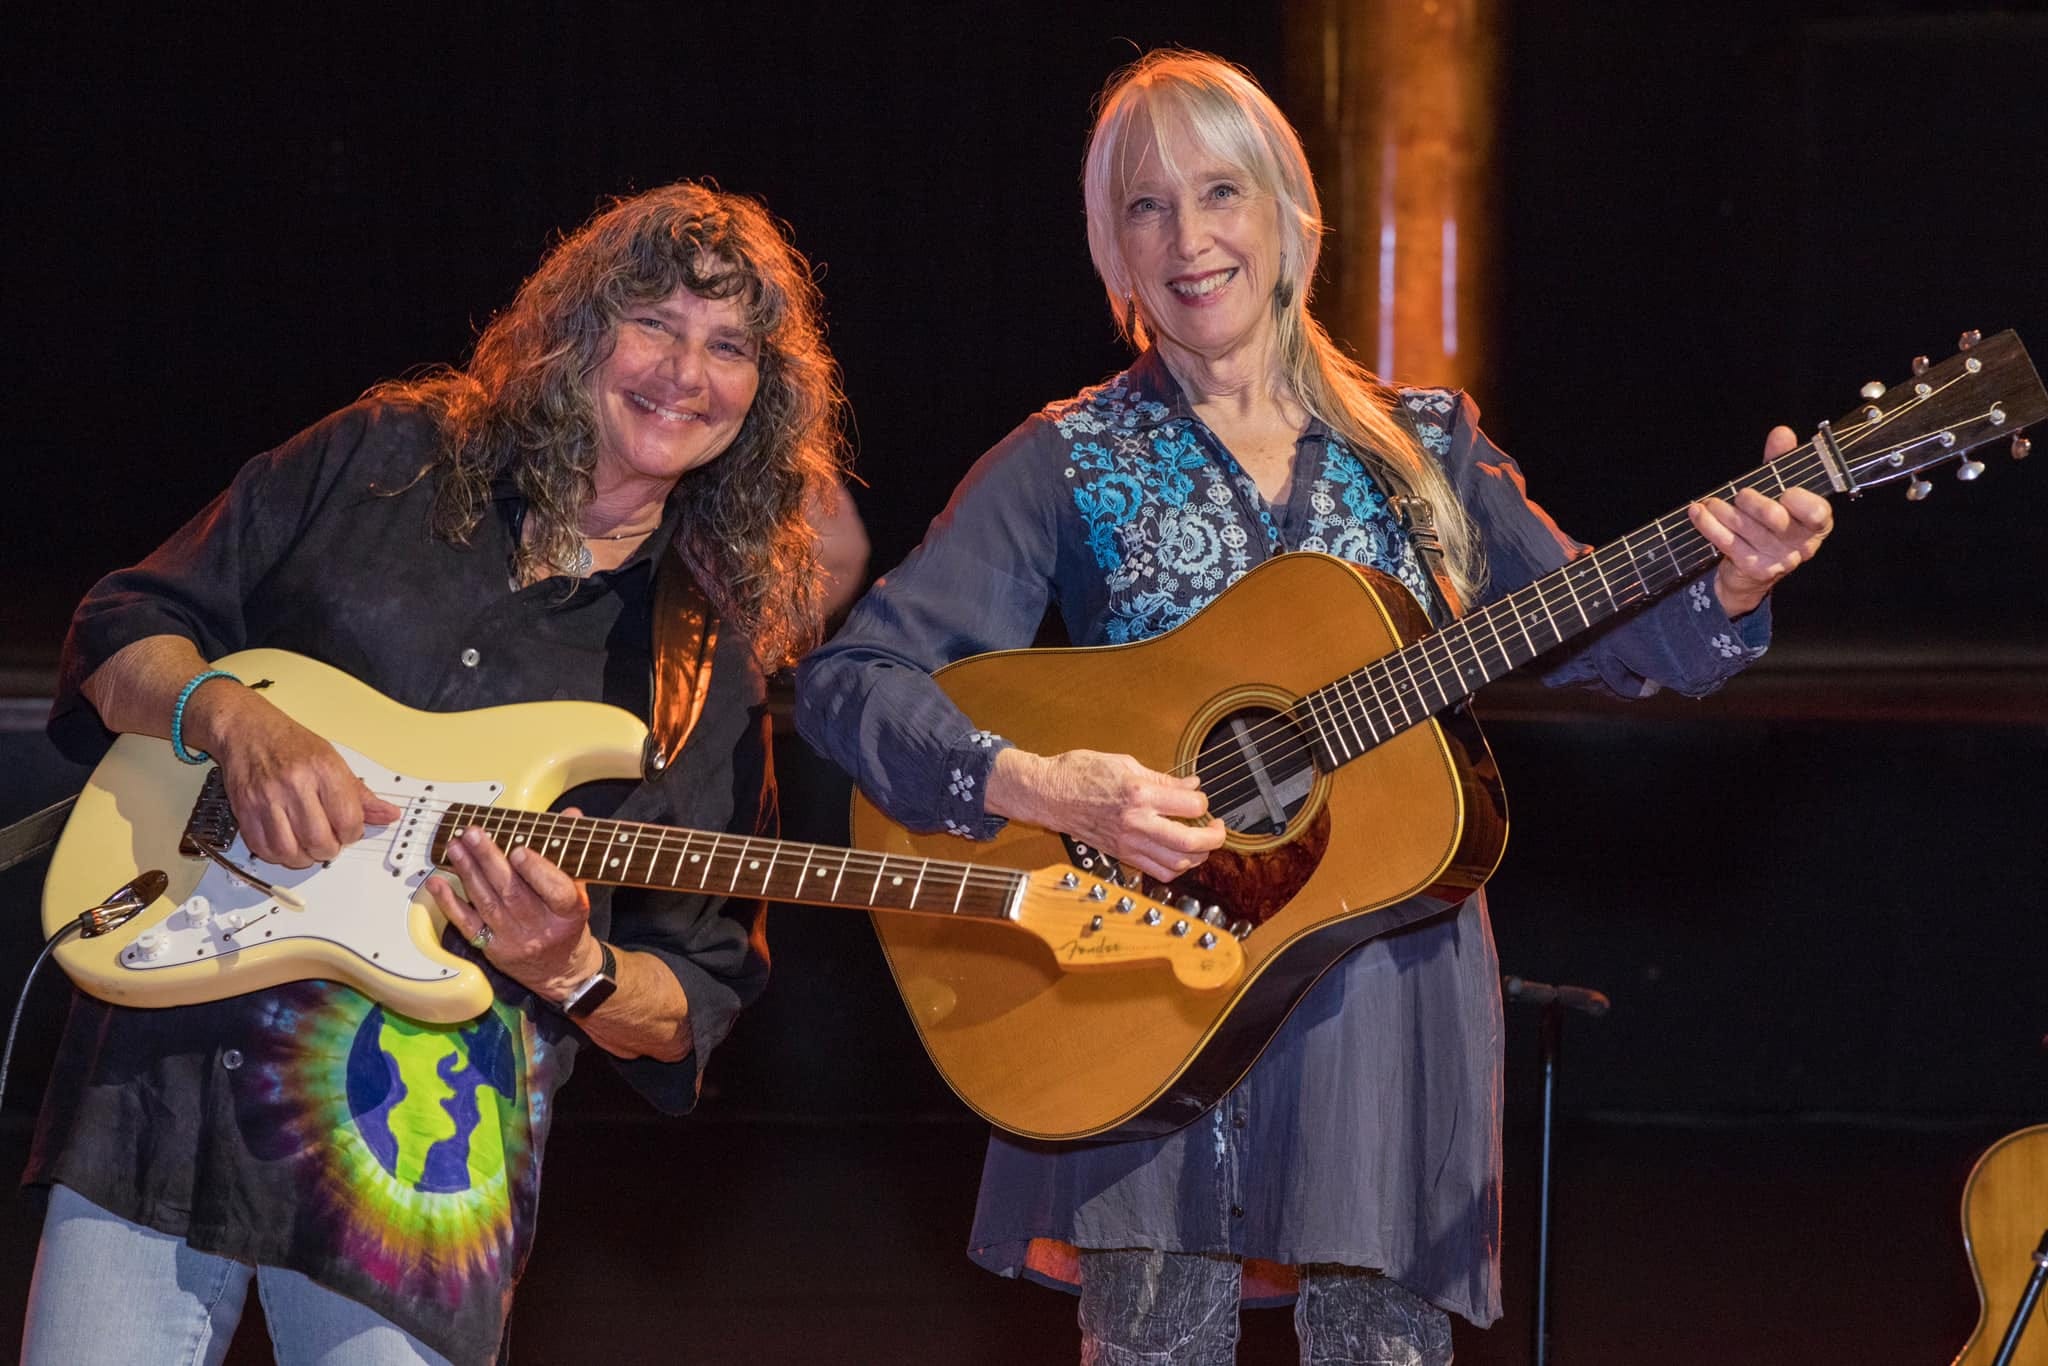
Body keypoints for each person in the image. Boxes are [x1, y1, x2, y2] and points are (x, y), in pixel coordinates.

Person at [794, 51, 1831, 1365]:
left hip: (1381, 988)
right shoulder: (1063, 457)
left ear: (1290, 213)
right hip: (1138, 980)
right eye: (1145, 207)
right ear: (1111, 250)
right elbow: (852, 682)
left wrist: (1728, 582)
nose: (1187, 237)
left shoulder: (1422, 448)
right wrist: (1045, 785)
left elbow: (1600, 626)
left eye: (1219, 192)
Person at [22, 181, 845, 1365]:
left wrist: (570, 965)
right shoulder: (387, 456)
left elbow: (695, 996)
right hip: (161, 1087)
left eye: (728, 347)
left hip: (411, 1164)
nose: (685, 373)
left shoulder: (699, 667)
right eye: (654, 323)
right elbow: (122, 628)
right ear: (579, 328)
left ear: (762, 394)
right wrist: (230, 720)